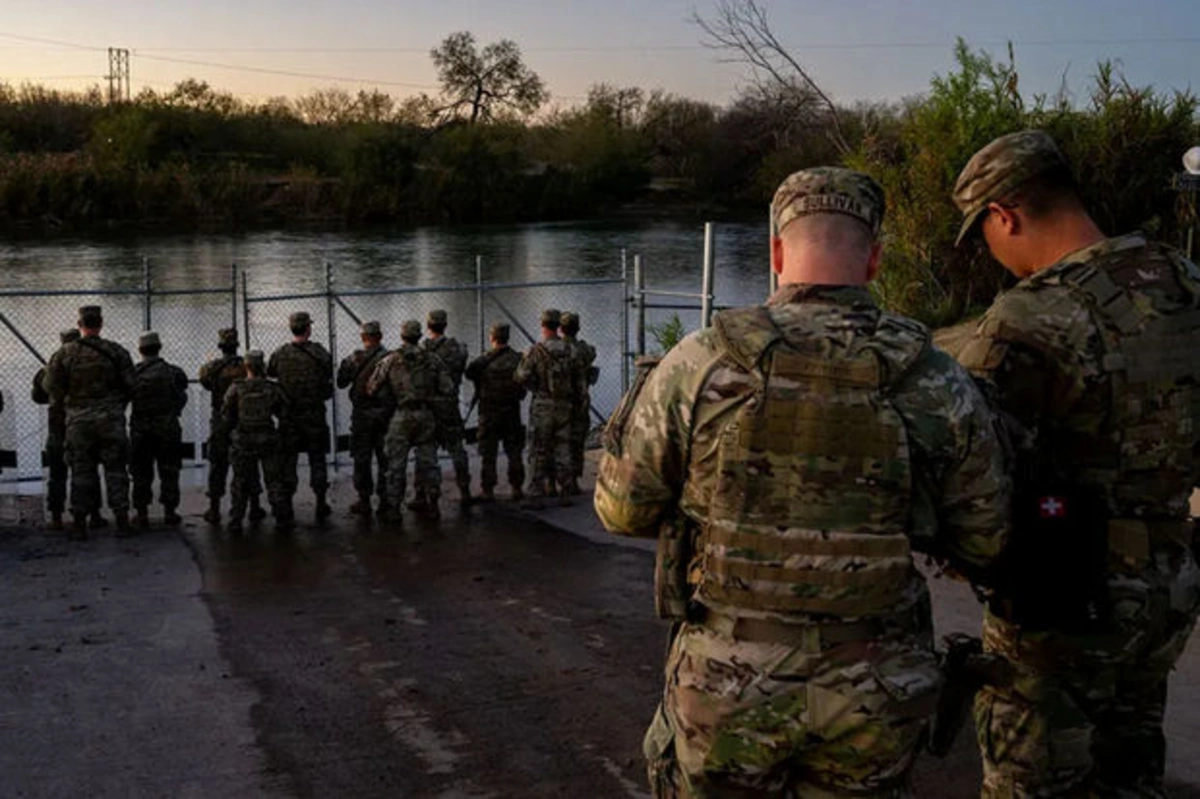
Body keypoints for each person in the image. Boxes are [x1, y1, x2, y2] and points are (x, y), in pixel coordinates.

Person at [595, 167, 1011, 797]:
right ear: (873, 260)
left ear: (776, 253)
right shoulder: (935, 378)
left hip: (729, 680)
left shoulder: (701, 362)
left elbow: (623, 511)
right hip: (876, 686)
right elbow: (985, 539)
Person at [951, 129, 1200, 797]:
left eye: (984, 233)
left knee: (1033, 781)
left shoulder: (1031, 315)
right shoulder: (1183, 280)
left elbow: (967, 464)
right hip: (1168, 587)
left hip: (1062, 596)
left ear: (1005, 215)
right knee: (1130, 770)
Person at [43, 305, 136, 538]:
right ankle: (122, 521)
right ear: (101, 324)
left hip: (78, 422)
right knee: (116, 471)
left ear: (79, 325)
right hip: (111, 420)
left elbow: (50, 388)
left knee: (81, 473)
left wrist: (69, 405)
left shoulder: (64, 354)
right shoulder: (117, 352)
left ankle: (79, 524)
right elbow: (132, 386)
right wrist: (115, 405)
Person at [368, 320, 448, 520]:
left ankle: (394, 509)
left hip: (402, 415)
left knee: (396, 464)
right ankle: (433, 504)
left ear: (402, 336)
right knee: (429, 461)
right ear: (420, 336)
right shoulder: (433, 359)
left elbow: (371, 388)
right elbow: (447, 387)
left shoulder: (391, 359)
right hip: (426, 415)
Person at [268, 311, 334, 521]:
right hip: (314, 415)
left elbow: (270, 372)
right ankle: (321, 501)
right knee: (317, 459)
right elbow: (328, 375)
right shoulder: (320, 353)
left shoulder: (280, 354)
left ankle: (287, 505)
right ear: (308, 328)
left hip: (289, 417)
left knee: (288, 461)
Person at [221, 350, 292, 534]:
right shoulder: (272, 388)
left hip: (243, 440)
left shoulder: (236, 388)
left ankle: (236, 519)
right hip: (267, 438)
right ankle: (281, 518)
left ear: (246, 367)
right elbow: (284, 414)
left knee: (240, 481)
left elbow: (227, 416)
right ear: (263, 367)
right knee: (274, 480)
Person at [514, 309, 579, 506]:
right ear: (558, 326)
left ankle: (536, 494)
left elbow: (521, 376)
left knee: (538, 450)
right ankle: (566, 491)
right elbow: (579, 379)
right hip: (565, 405)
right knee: (563, 448)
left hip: (542, 406)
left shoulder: (535, 351)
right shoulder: (571, 350)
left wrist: (533, 386)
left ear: (543, 326)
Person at [199, 328, 263, 524]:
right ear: (237, 346)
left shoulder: (212, 368)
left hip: (220, 419)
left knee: (218, 463)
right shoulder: (246, 367)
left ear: (220, 346)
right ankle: (254, 506)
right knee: (249, 463)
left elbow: (205, 382)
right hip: (243, 419)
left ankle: (214, 508)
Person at [129, 331, 189, 528]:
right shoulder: (174, 372)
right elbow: (182, 393)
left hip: (141, 431)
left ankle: (142, 513)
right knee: (170, 470)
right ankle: (170, 513)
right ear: (159, 347)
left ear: (140, 350)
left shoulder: (133, 374)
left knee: (141, 472)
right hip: (168, 428)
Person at [464, 322, 526, 503]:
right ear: (507, 337)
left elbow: (469, 374)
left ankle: (488, 490)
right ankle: (517, 488)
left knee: (488, 453)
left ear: (492, 338)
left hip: (489, 413)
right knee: (514, 451)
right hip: (511, 412)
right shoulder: (518, 359)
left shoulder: (483, 361)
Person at [336, 320, 392, 517]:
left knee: (362, 458)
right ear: (380, 336)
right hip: (385, 415)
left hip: (362, 415)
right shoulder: (391, 358)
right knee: (385, 458)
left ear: (362, 338)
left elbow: (341, 382)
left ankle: (364, 500)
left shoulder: (355, 358)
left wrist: (349, 362)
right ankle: (386, 500)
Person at [31, 329, 82, 530]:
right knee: (84, 473)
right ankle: (89, 515)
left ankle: (56, 517)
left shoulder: (50, 368)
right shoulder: (92, 365)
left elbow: (37, 396)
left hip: (58, 428)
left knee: (57, 474)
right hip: (82, 426)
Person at [423, 309, 472, 505]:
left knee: (427, 452)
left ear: (428, 326)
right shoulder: (458, 349)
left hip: (429, 408)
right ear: (445, 325)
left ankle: (427, 495)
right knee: (457, 450)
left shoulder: (422, 350)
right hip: (450, 406)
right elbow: (463, 367)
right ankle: (465, 489)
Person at [559, 311, 598, 495]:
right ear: (578, 328)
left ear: (560, 329)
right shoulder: (584, 350)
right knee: (576, 442)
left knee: (555, 441)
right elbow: (592, 353)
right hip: (579, 402)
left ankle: (553, 482)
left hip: (559, 402)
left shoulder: (556, 349)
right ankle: (572, 481)